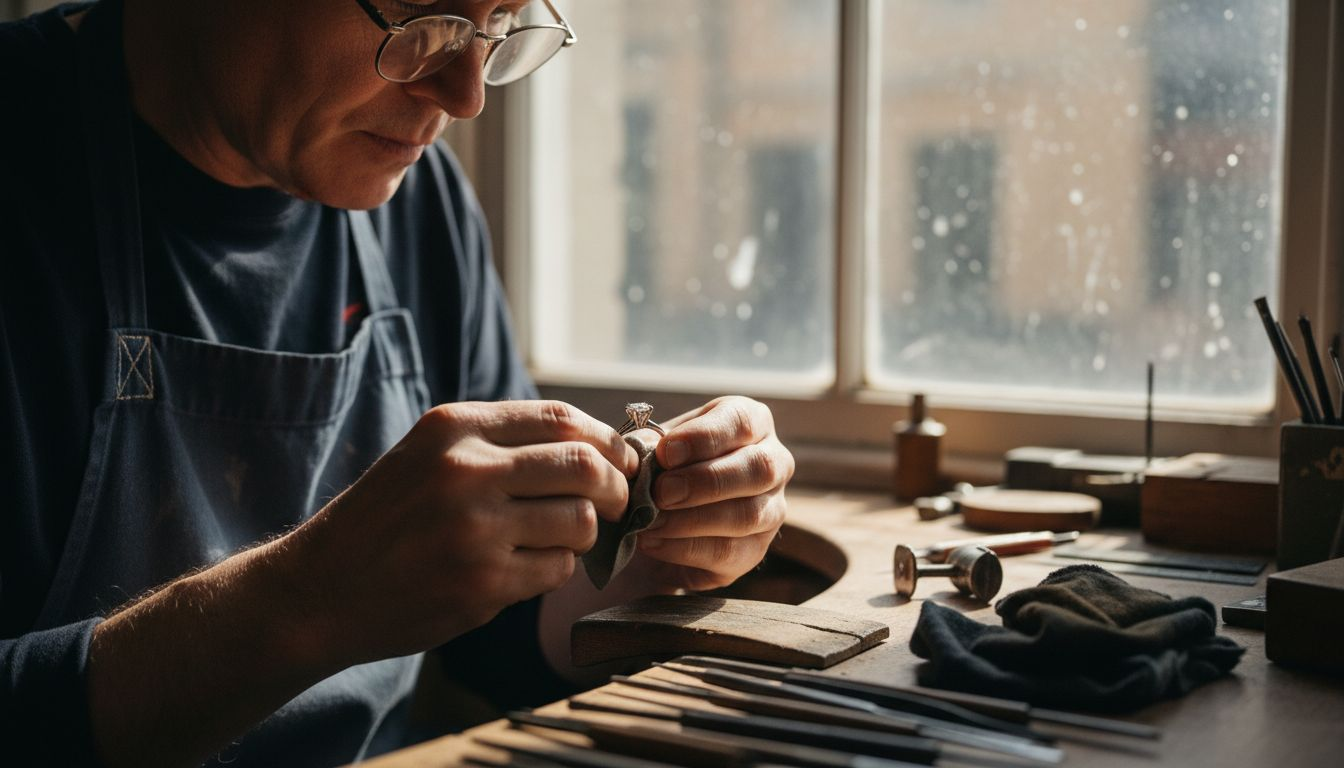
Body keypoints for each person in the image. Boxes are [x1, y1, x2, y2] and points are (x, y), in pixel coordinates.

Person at [0, 1, 794, 766]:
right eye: (420, 11)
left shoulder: (418, 198)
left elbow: (497, 638)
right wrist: (308, 599)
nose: (467, 94)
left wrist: (654, 554)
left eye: (496, 26)